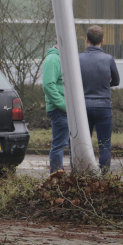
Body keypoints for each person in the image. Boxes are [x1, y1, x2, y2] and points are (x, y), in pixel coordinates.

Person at [78, 25, 120, 172]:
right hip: (103, 106)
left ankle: (84, 175)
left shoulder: (78, 59)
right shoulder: (108, 59)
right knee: (104, 144)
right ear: (102, 40)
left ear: (87, 40)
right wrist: (105, 83)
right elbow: (116, 81)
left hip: (83, 106)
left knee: (84, 145)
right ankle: (104, 176)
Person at [43, 45, 69, 173]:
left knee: (73, 146)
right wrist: (64, 106)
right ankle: (56, 178)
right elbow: (48, 85)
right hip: (60, 110)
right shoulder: (53, 59)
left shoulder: (66, 58)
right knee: (59, 146)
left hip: (68, 110)